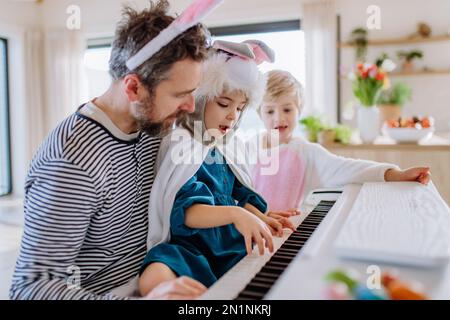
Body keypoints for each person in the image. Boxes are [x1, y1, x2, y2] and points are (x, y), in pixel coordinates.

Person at [10, 0, 220, 300]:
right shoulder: (72, 161)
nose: (189, 106)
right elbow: (29, 288)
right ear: (133, 88)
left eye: (193, 92)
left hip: (161, 279)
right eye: (180, 95)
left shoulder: (153, 124)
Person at [138, 40, 295, 296]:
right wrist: (237, 215)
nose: (233, 115)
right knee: (156, 269)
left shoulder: (223, 149)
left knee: (271, 261)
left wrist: (260, 218)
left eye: (240, 108)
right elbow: (187, 213)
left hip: (226, 243)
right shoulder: (184, 146)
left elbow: (237, 197)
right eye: (224, 104)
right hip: (192, 247)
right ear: (199, 100)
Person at [249, 70, 431, 213]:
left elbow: (349, 168)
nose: (279, 118)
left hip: (286, 235)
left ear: (299, 111)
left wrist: (395, 174)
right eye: (270, 111)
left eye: (287, 110)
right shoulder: (250, 148)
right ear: (259, 113)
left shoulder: (307, 152)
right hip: (248, 234)